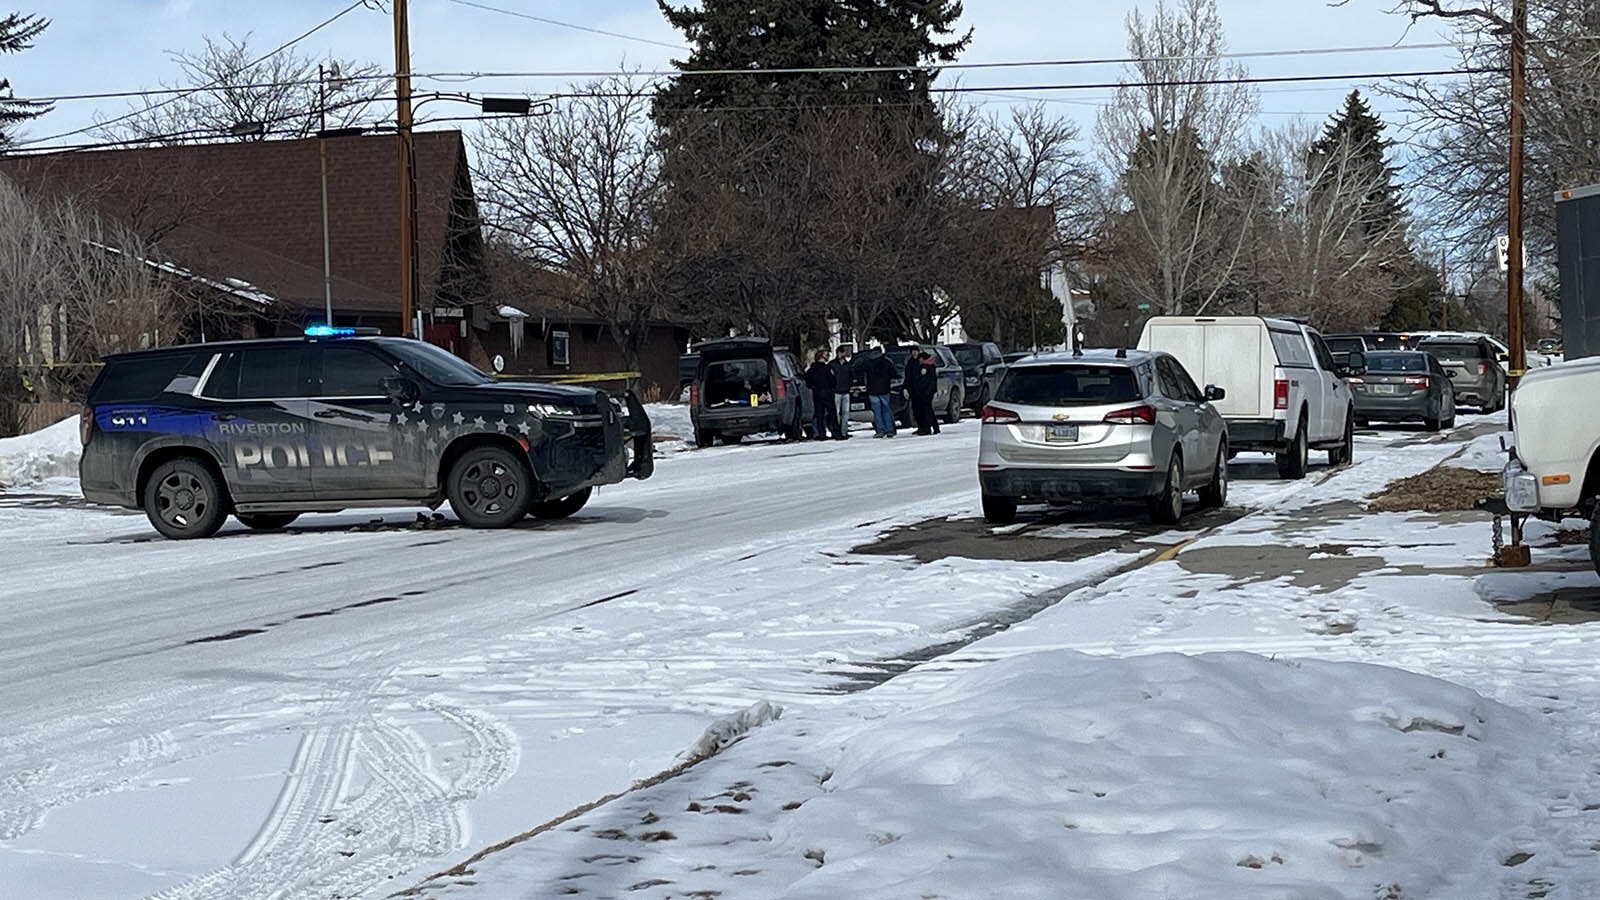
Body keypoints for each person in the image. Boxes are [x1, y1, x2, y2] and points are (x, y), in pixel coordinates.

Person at [862, 348, 898, 438]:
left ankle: (880, 430)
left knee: (877, 412)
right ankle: (890, 430)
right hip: (885, 389)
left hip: (872, 390)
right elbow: (894, 373)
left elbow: (860, 370)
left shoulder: (868, 363)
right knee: (886, 410)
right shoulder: (887, 362)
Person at [804, 350, 840, 440]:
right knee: (832, 413)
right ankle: (836, 433)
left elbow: (808, 383)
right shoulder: (827, 369)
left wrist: (814, 387)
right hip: (827, 392)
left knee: (819, 414)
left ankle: (821, 434)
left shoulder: (811, 370)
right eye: (827, 355)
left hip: (817, 393)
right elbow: (833, 381)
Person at [905, 347, 941, 435]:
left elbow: (929, 380)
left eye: (915, 352)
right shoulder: (911, 363)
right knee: (917, 410)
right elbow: (908, 377)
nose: (914, 354)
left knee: (926, 410)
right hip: (915, 391)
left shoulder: (927, 366)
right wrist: (906, 388)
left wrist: (928, 391)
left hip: (926, 392)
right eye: (912, 352)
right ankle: (921, 427)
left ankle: (928, 428)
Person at [828, 347, 853, 440]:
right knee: (837, 413)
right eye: (840, 353)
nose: (841, 355)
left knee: (845, 413)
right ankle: (837, 432)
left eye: (842, 353)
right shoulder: (832, 365)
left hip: (846, 391)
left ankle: (844, 432)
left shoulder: (848, 365)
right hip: (836, 391)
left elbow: (851, 376)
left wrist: (849, 385)